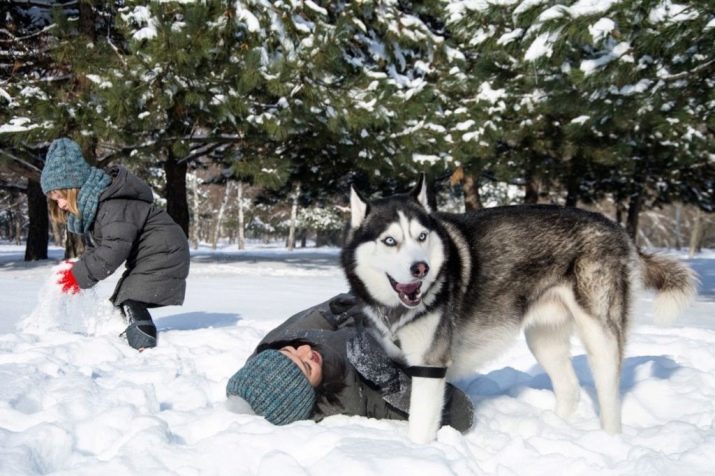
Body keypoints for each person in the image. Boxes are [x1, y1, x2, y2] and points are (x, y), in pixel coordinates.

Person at [225, 293, 475, 432]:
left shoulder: (272, 347)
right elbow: (461, 414)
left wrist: (334, 308)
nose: (304, 349)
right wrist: (387, 380)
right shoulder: (352, 397)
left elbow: (312, 320)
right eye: (306, 366)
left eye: (290, 350)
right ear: (306, 393)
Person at [41, 137, 190, 350]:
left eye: (61, 196)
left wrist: (79, 275)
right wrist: (79, 267)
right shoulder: (101, 205)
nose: (61, 204)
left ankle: (143, 342)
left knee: (132, 298)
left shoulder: (111, 206)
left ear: (75, 189)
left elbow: (113, 249)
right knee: (121, 301)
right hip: (156, 249)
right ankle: (133, 335)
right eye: (55, 199)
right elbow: (102, 246)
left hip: (162, 249)